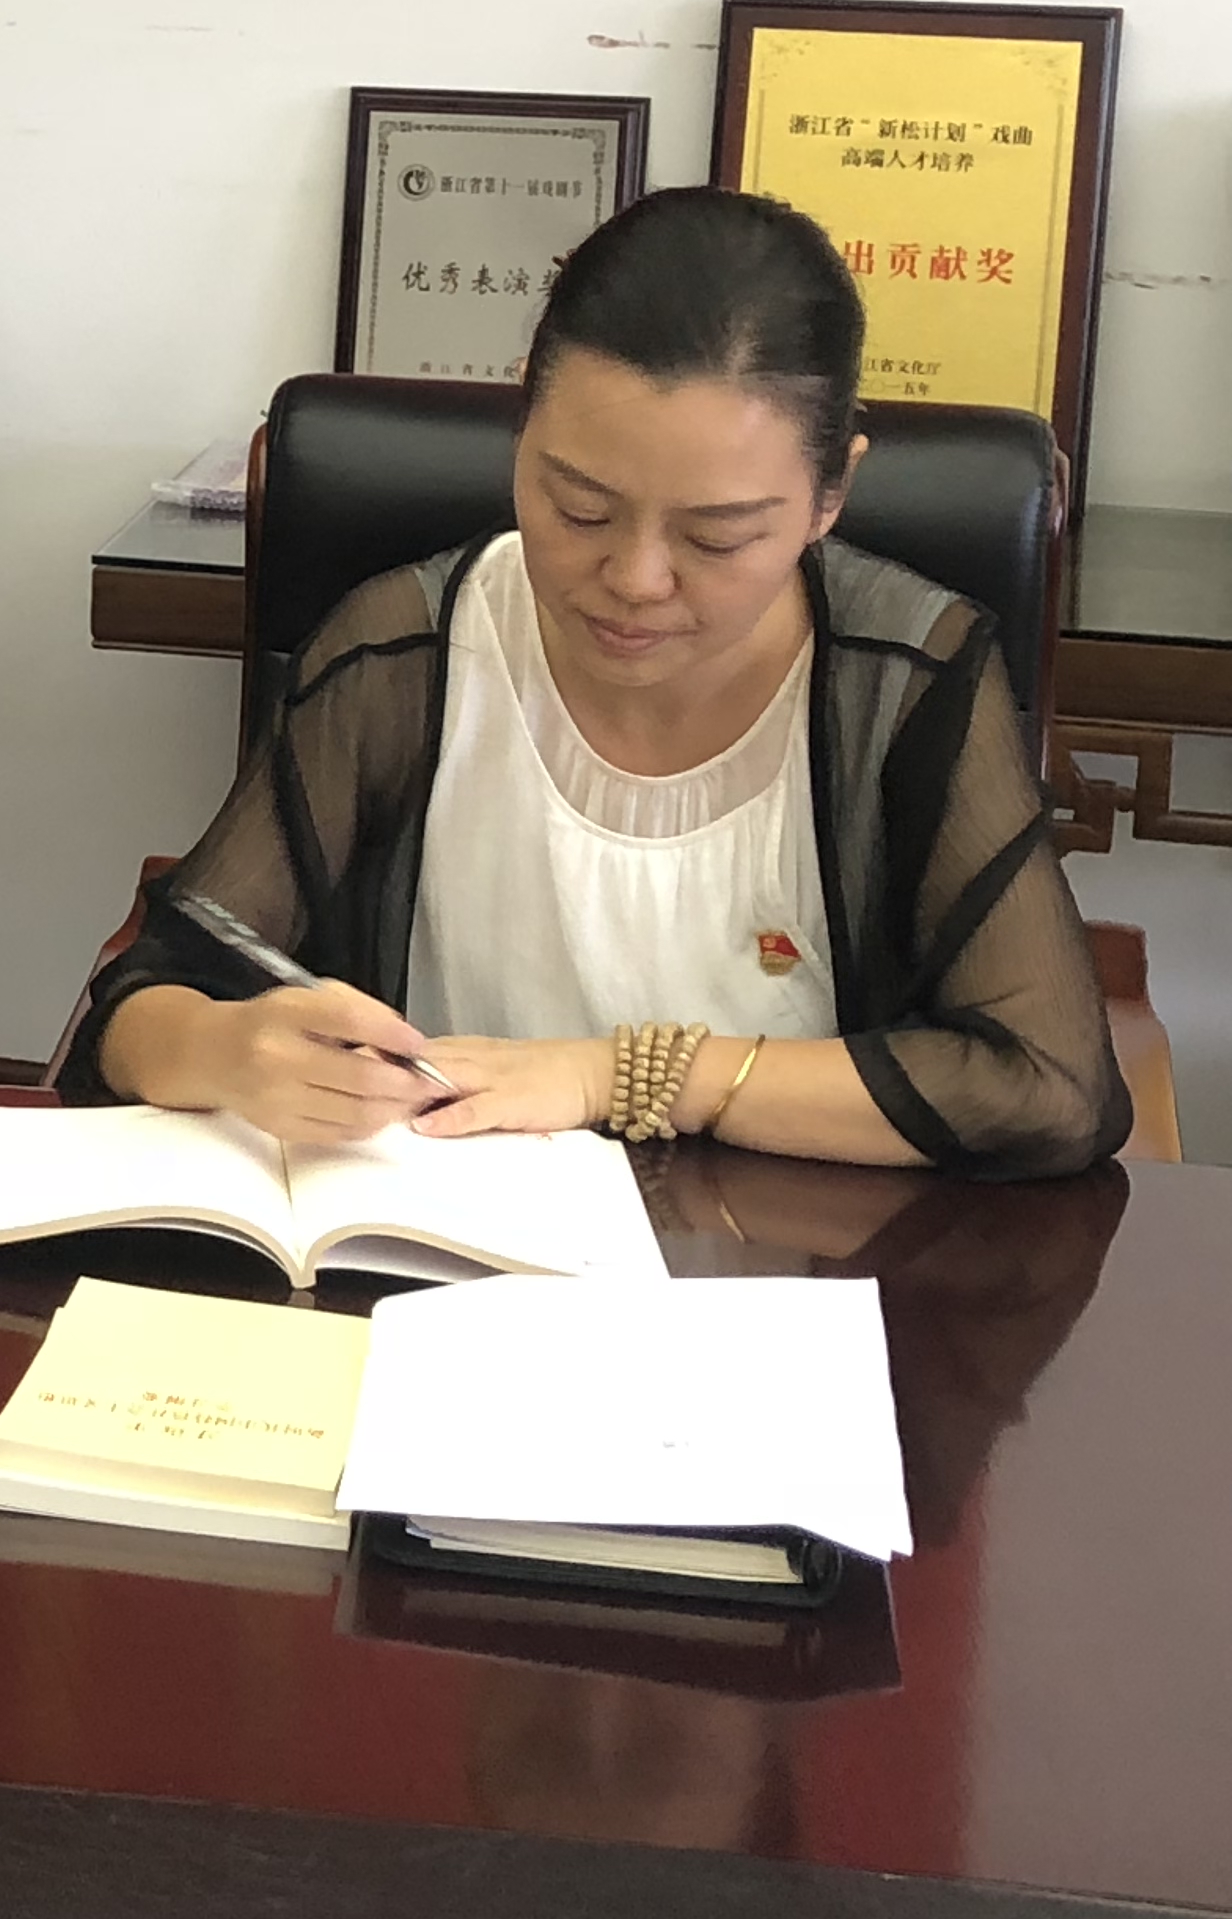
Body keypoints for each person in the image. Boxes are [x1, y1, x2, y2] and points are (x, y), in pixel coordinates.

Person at [65, 187, 1125, 1180]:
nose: (634, 579)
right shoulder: (405, 654)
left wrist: (622, 1076)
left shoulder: (903, 685)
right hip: (432, 1260)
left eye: (717, 538)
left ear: (830, 493)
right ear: (522, 429)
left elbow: (1051, 1089)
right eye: (579, 509)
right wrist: (224, 1049)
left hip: (774, 1279)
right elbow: (139, 1002)